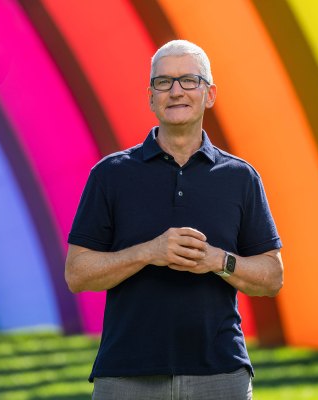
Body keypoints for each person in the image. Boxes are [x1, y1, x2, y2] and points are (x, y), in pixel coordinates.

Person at [65, 39, 283, 400]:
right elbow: (77, 273)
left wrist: (218, 260)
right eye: (163, 82)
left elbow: (272, 277)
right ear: (151, 97)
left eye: (189, 80)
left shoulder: (240, 178)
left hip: (220, 374)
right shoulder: (111, 174)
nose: (176, 91)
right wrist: (149, 252)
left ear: (209, 94)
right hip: (126, 375)